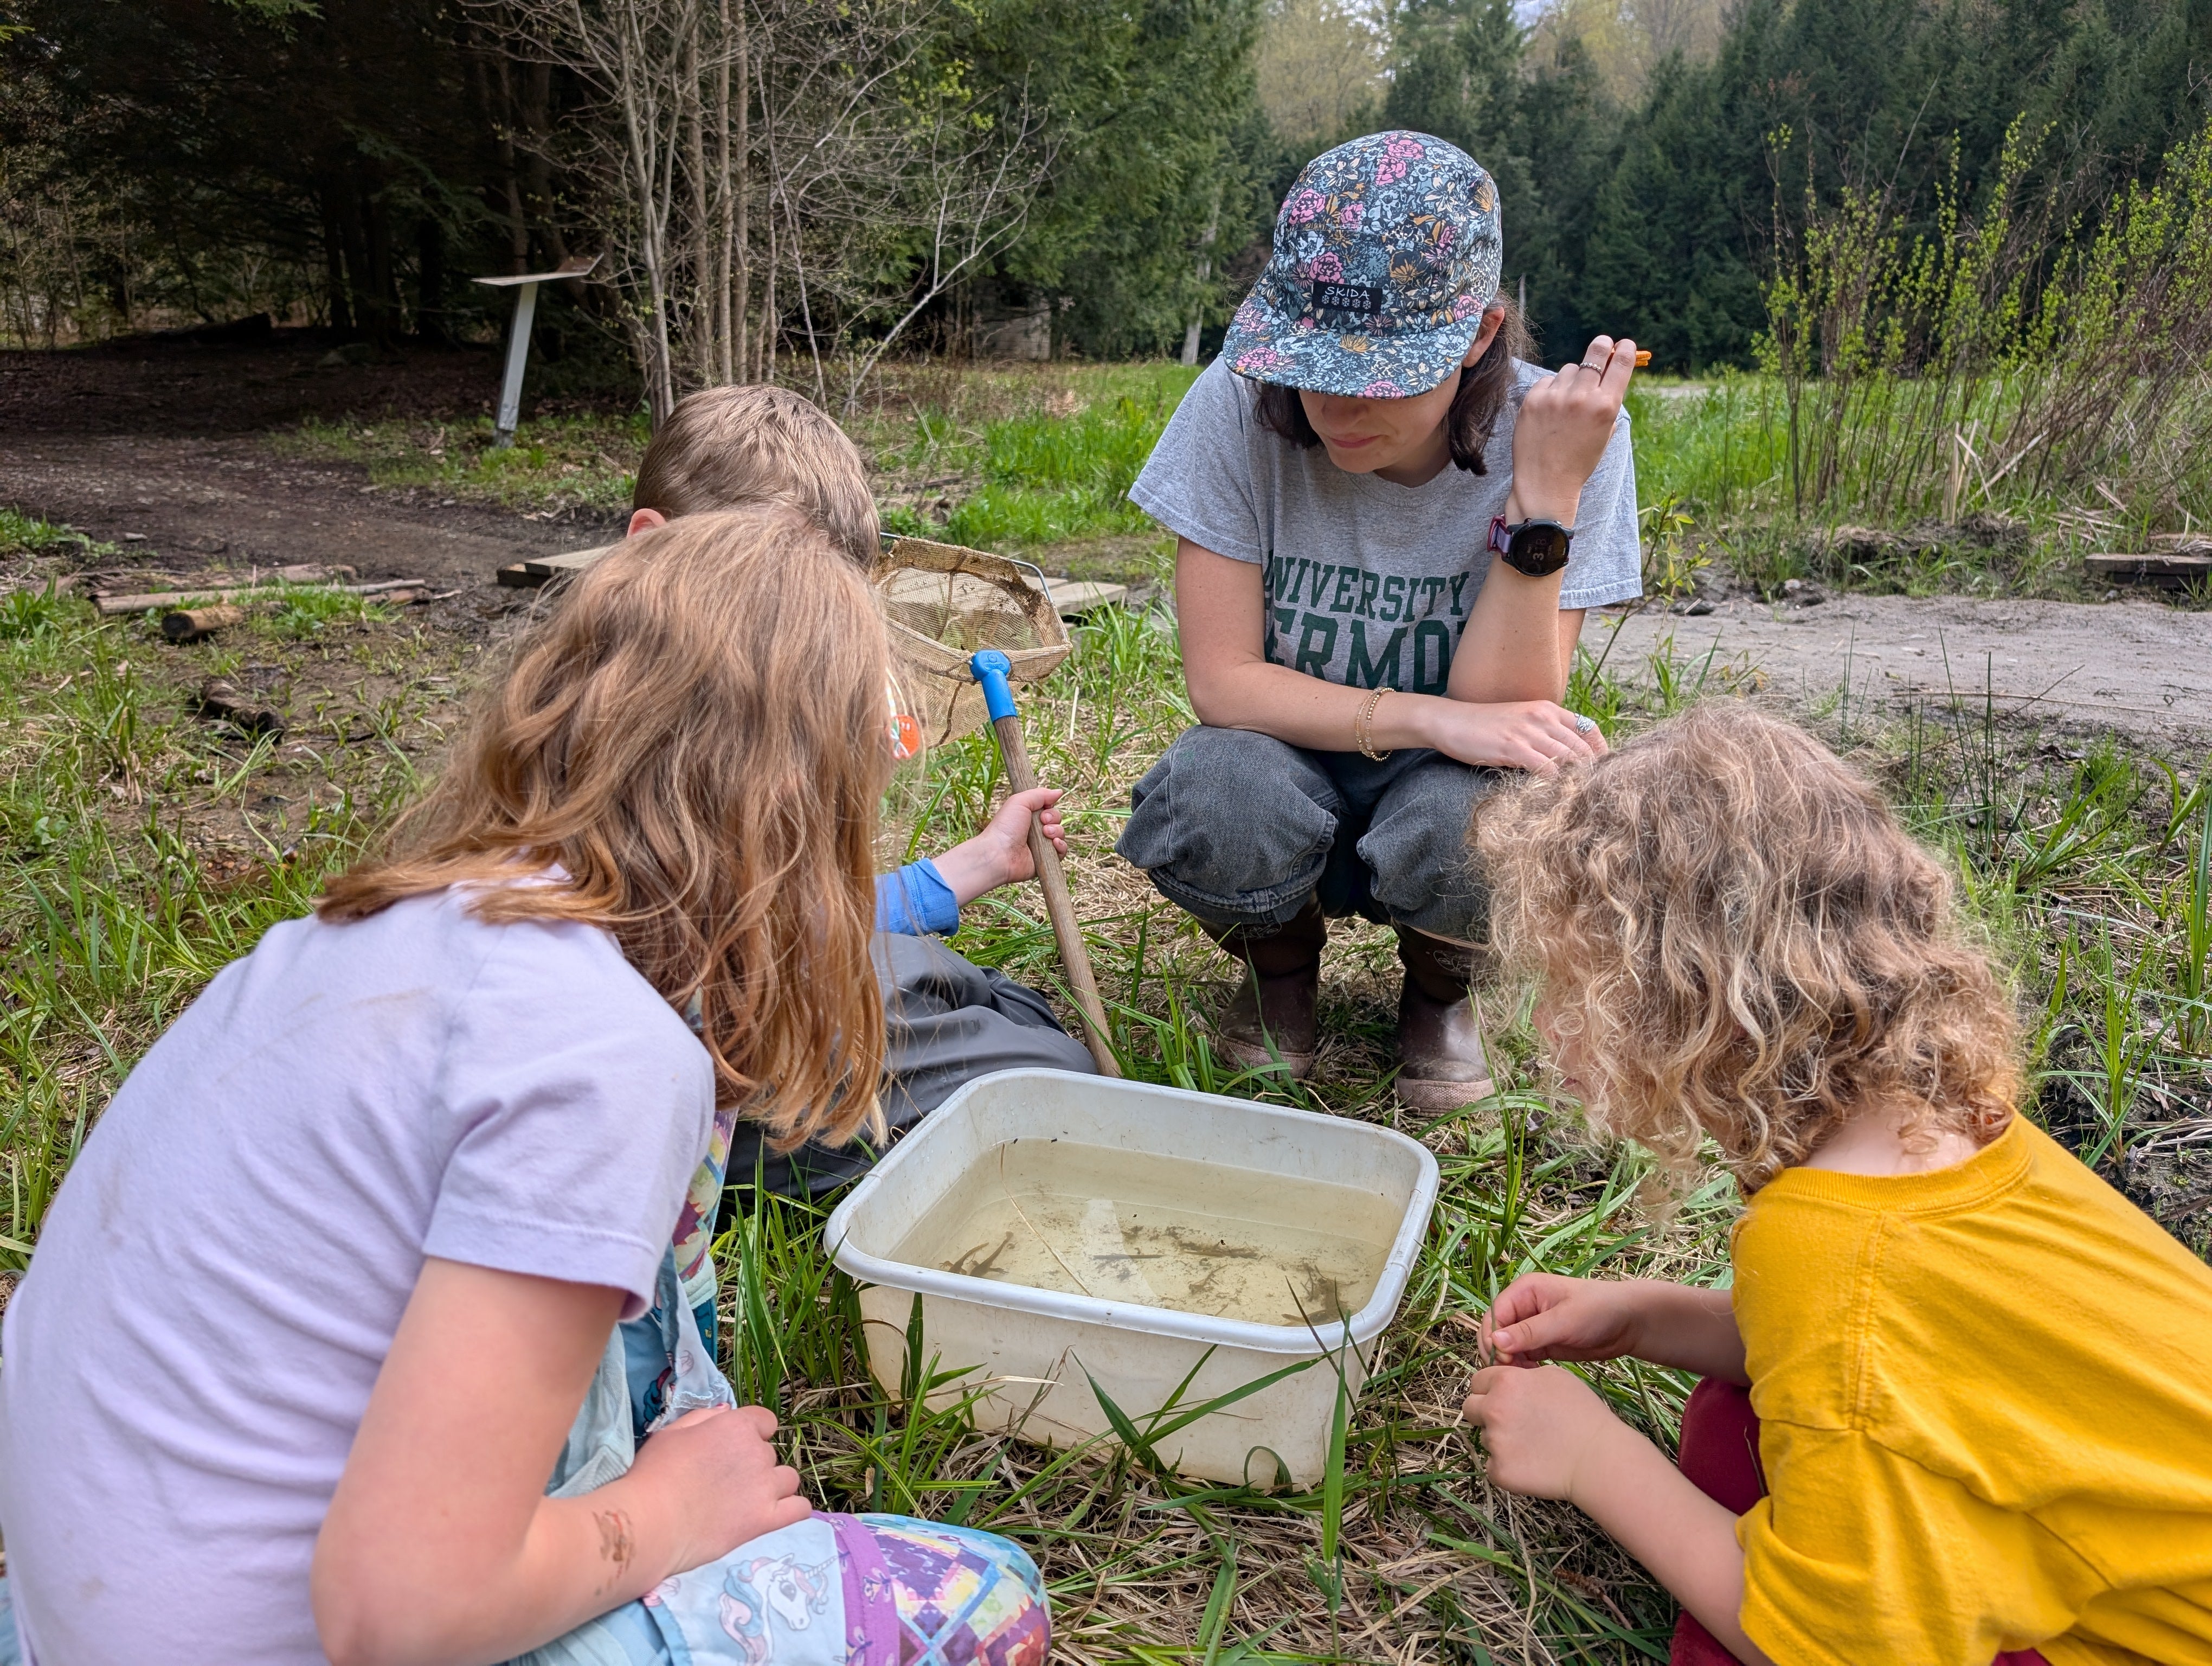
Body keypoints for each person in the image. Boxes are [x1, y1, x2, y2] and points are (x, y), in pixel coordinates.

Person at [0, 510, 1052, 1666]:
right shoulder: (600, 1046)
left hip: (81, 1616)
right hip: (305, 1629)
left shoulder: (371, 929)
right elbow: (398, 1614)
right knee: (984, 1601)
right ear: (811, 806)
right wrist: (663, 1517)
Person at [1459, 702, 2212, 1666]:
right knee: (1743, 1417)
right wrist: (1653, 1321)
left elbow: (1822, 1648)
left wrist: (1594, 1461)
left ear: (1683, 1008)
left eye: (1573, 989)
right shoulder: (1953, 1120)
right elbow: (1937, 1363)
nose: (1549, 1027)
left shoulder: (1830, 1261)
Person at [1117, 129, 1644, 1108]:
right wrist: (1428, 714)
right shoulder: (1234, 408)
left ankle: (1439, 992)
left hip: (1447, 778)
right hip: (1282, 755)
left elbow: (1510, 712)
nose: (1336, 407)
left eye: (1383, 376)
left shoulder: (1566, 436)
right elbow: (1224, 683)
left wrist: (1544, 499)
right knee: (1211, 791)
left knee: (1490, 816)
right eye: (1313, 366)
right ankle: (1280, 973)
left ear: (1481, 336)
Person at [610, 385, 1093, 1412]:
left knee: (1001, 1012)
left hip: (747, 993)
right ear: (651, 544)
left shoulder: (715, 692)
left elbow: (785, 908)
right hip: (691, 1068)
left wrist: (960, 872)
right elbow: (707, 962)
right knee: (1037, 1075)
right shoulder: (646, 733)